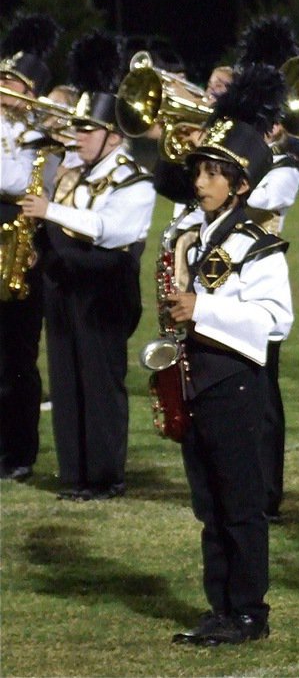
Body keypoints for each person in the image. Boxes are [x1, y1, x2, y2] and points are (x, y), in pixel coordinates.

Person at [156, 15, 299, 520]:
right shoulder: (216, 165)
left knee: (261, 397)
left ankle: (264, 490)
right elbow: (174, 183)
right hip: (207, 276)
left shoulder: (282, 164)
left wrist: (230, 153)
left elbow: (263, 194)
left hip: (247, 277)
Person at [167, 65, 293, 647]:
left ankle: (248, 611)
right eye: (201, 169)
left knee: (240, 504)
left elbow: (276, 320)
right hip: (196, 381)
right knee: (209, 502)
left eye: (215, 173)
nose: (202, 181)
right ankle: (220, 606)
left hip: (236, 385)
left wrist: (200, 310)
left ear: (240, 185)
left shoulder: (254, 244)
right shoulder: (193, 234)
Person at [22, 31, 155, 501]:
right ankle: (74, 474)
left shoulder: (135, 181)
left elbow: (108, 229)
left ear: (114, 136)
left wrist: (49, 212)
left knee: (100, 384)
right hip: (63, 288)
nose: (76, 137)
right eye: (76, 129)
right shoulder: (71, 170)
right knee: (67, 381)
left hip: (104, 292)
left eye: (86, 130)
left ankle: (104, 476)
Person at [0, 12, 60, 483]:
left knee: (17, 358)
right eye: (2, 79)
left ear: (32, 95)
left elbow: (19, 181)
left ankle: (19, 452)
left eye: (14, 84)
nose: (5, 90)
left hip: (22, 250)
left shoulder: (46, 137)